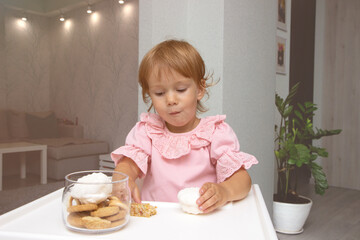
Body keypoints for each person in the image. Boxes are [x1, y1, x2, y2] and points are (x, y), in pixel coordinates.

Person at [111, 39, 258, 213]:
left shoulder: (215, 133)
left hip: (202, 220)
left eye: (180, 90)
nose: (171, 100)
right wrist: (123, 179)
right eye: (159, 93)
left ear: (200, 89)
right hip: (156, 220)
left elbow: (243, 180)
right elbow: (128, 164)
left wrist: (224, 191)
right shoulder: (147, 131)